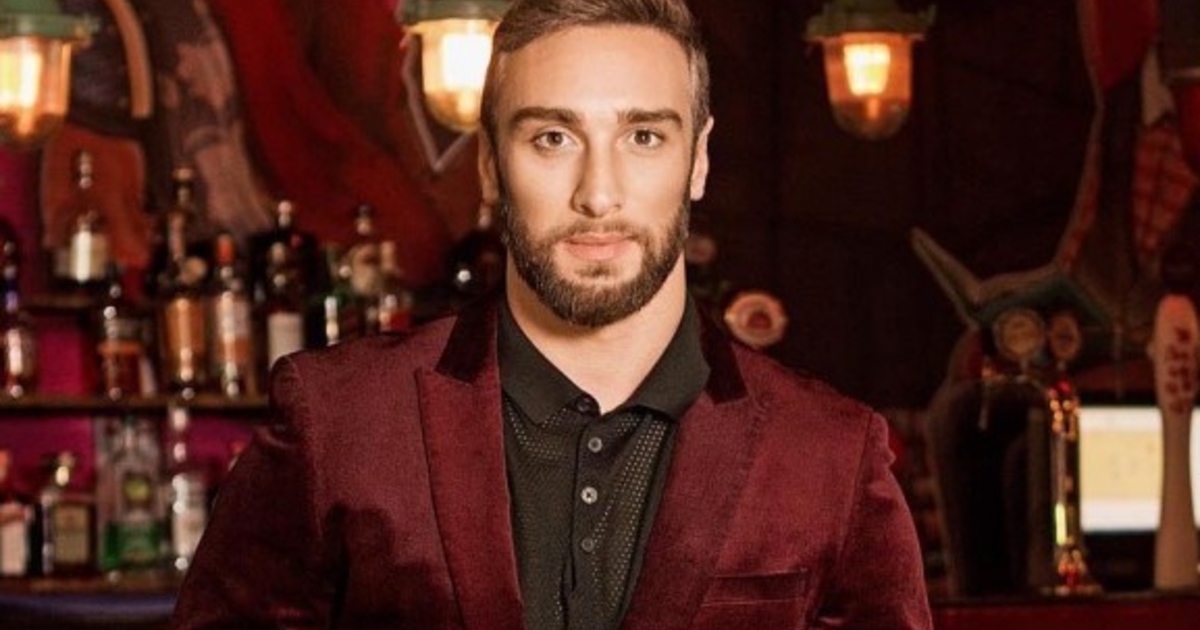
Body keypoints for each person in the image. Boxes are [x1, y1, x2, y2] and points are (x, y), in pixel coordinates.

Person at [169, 0, 932, 628]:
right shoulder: (340, 422)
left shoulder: (829, 454)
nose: (598, 192)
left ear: (698, 158)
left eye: (643, 136)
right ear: (490, 164)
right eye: (553, 137)